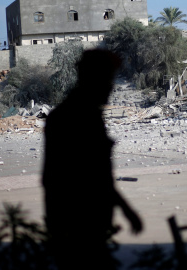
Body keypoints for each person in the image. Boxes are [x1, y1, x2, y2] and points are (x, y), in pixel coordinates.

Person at [42, 49, 143, 270]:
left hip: (89, 229)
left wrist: (126, 210)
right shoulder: (74, 118)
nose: (110, 87)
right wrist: (127, 211)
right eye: (107, 79)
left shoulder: (85, 115)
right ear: (92, 78)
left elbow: (99, 177)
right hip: (79, 231)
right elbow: (83, 178)